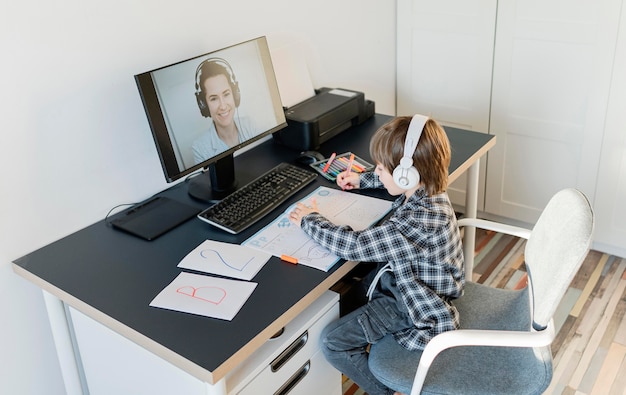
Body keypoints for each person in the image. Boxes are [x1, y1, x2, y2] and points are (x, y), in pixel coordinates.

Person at [288, 115, 464, 395]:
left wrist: (310, 220)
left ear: (407, 174)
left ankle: (386, 390)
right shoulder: (426, 191)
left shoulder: (419, 221)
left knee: (332, 342)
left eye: (381, 168)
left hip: (411, 302)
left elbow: (353, 246)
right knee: (351, 295)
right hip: (408, 279)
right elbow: (396, 182)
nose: (377, 172)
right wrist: (363, 179)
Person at [192, 58, 256, 164]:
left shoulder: (251, 124)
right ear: (204, 105)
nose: (222, 106)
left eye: (226, 94)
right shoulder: (200, 149)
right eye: (214, 98)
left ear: (235, 95)